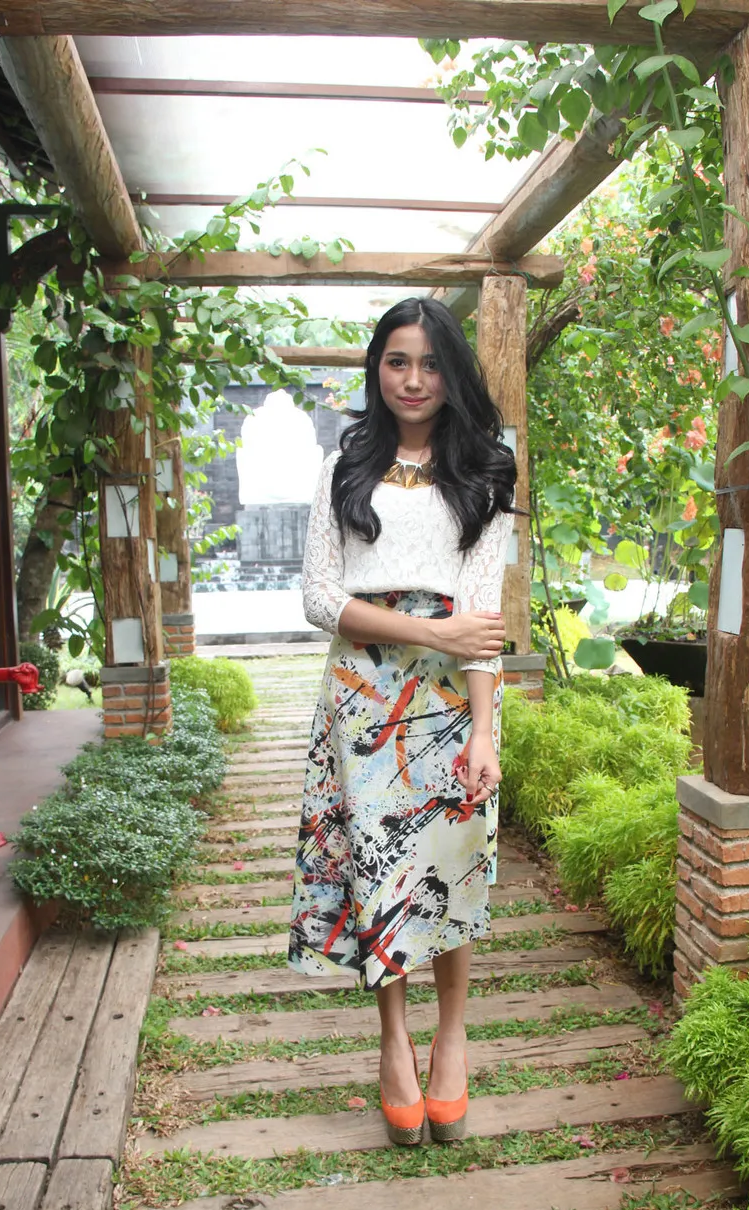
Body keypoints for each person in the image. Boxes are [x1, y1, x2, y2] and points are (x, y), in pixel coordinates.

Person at [287, 296, 516, 1145]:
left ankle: (452, 1037)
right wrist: (433, 632)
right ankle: (394, 1039)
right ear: (376, 368)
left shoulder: (486, 468)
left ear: (452, 373)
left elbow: (480, 613)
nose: (413, 380)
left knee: (453, 864)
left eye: (429, 364)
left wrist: (484, 730)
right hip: (362, 693)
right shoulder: (342, 465)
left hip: (454, 699)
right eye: (397, 361)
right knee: (377, 865)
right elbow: (319, 598)